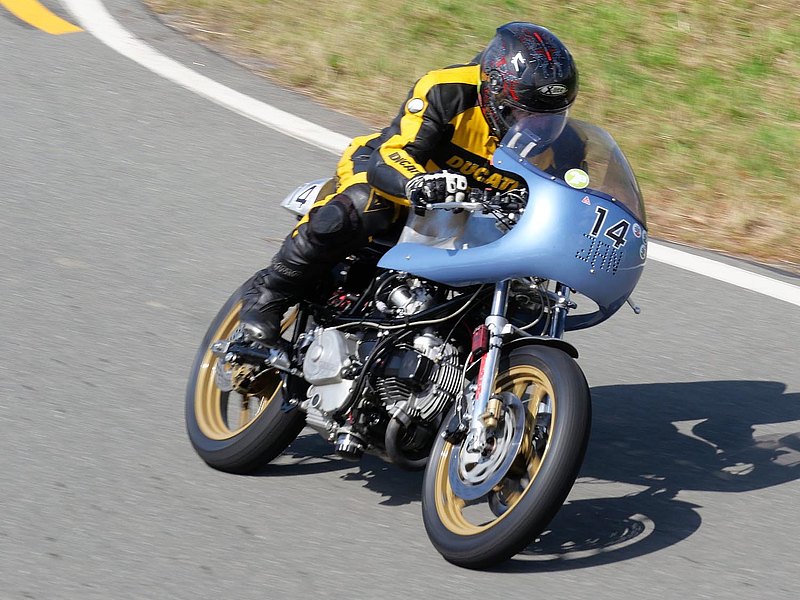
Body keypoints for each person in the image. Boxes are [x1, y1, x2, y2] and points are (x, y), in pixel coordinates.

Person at [238, 22, 579, 347]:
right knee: (364, 205)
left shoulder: (563, 143)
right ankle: (269, 293)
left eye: (549, 117)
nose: (536, 127)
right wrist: (418, 183)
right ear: (493, 91)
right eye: (522, 114)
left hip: (470, 211)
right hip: (394, 173)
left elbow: (570, 199)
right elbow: (393, 153)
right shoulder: (447, 89)